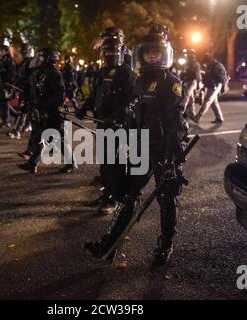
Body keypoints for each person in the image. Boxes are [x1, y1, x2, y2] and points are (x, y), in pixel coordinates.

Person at [84, 29, 189, 265]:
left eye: (156, 52)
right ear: (141, 54)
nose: (152, 57)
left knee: (166, 197)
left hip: (163, 151)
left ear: (164, 54)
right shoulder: (140, 81)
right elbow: (133, 115)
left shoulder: (171, 84)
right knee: (130, 195)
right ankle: (110, 243)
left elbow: (176, 125)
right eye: (148, 52)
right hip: (142, 147)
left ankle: (165, 244)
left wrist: (172, 159)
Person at [76, 27, 137, 215]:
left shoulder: (127, 72)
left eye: (112, 51)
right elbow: (96, 93)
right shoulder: (103, 72)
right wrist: (84, 106)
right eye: (107, 52)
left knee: (117, 162)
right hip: (103, 122)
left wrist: (119, 117)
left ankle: (115, 198)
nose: (109, 54)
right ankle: (106, 193)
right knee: (105, 161)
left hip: (119, 125)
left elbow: (132, 99)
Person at [18, 48, 77, 174]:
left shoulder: (55, 74)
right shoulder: (38, 73)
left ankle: (71, 163)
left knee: (58, 138)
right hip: (42, 110)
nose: (38, 60)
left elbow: (59, 96)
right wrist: (28, 103)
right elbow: (31, 90)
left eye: (41, 57)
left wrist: (45, 105)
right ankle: (32, 163)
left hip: (53, 112)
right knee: (42, 136)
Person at [8, 43, 35, 139]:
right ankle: (22, 128)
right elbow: (19, 76)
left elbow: (32, 78)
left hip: (29, 91)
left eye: (25, 51)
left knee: (25, 110)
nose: (23, 53)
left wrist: (24, 85)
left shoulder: (32, 63)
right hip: (24, 90)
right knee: (24, 110)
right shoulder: (23, 63)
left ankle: (18, 130)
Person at [194, 54, 227, 124]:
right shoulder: (210, 65)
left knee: (207, 101)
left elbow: (223, 77)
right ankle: (219, 118)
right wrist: (203, 86)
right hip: (211, 86)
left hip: (216, 86)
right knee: (214, 103)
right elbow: (207, 77)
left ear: (210, 60)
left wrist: (223, 86)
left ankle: (197, 117)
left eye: (206, 61)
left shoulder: (218, 66)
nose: (205, 63)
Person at [0, 45, 17, 128]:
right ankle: (16, 115)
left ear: (5, 51)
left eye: (1, 50)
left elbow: (12, 73)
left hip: (7, 84)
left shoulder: (9, 60)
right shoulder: (2, 59)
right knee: (2, 102)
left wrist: (9, 82)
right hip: (2, 83)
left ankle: (6, 121)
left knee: (4, 101)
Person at [181, 49, 202, 120]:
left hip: (193, 81)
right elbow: (183, 72)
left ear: (193, 55)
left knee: (186, 95)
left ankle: (181, 111)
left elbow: (198, 75)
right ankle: (192, 113)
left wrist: (199, 84)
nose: (188, 55)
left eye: (189, 54)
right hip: (187, 81)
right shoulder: (187, 63)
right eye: (187, 54)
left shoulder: (195, 64)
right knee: (190, 98)